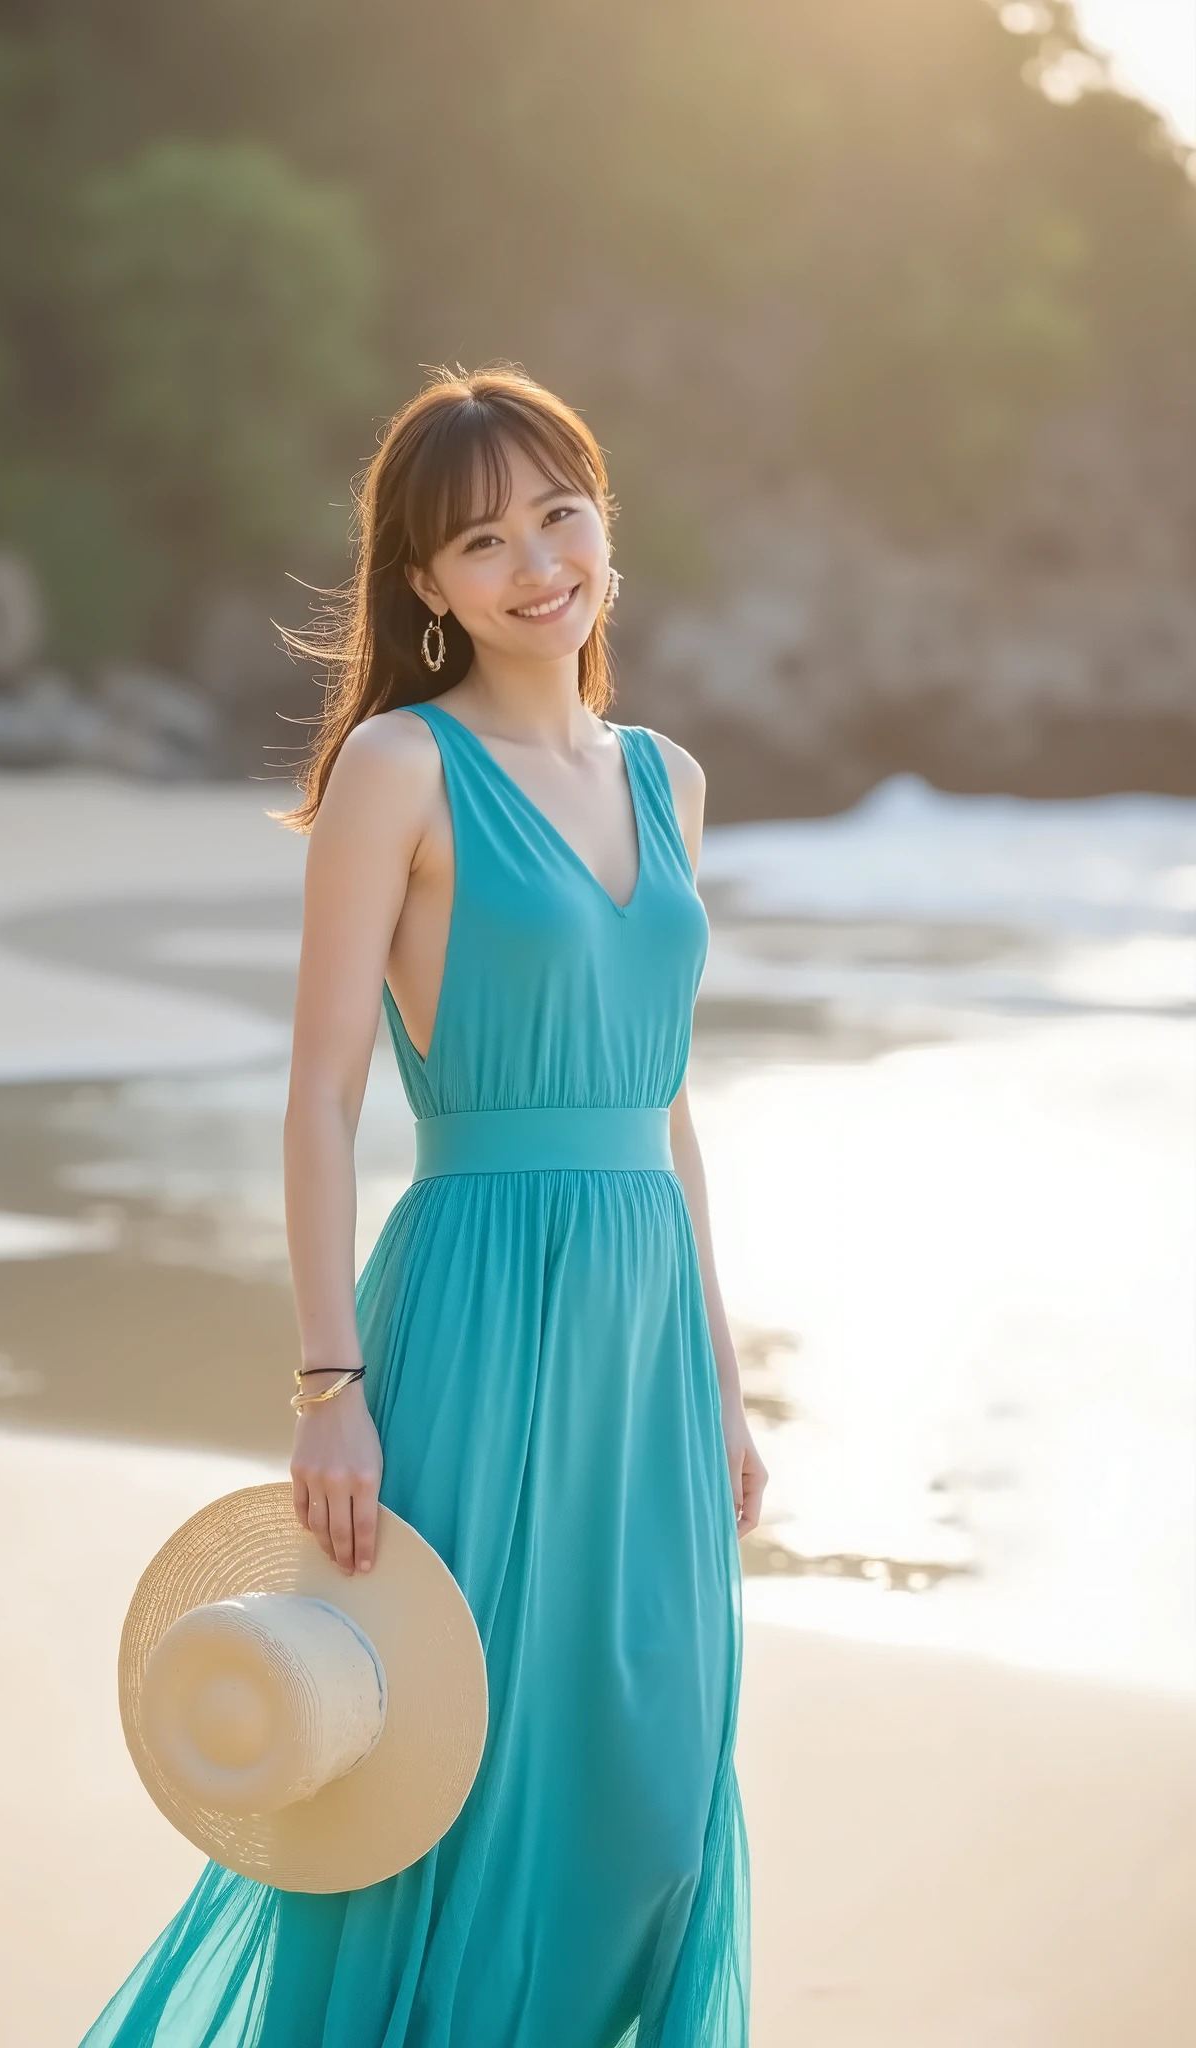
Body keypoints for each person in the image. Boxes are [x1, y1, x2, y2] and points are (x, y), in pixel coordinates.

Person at [77, 364, 765, 2047]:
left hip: (646, 1335)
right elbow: (321, 1093)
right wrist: (328, 1384)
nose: (537, 560)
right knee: (455, 1787)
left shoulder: (668, 780)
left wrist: (728, 1388)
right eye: (482, 538)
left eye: (559, 512)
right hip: (475, 1307)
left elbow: (665, 1105)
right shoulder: (401, 766)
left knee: (654, 1796)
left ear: (605, 521)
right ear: (426, 585)